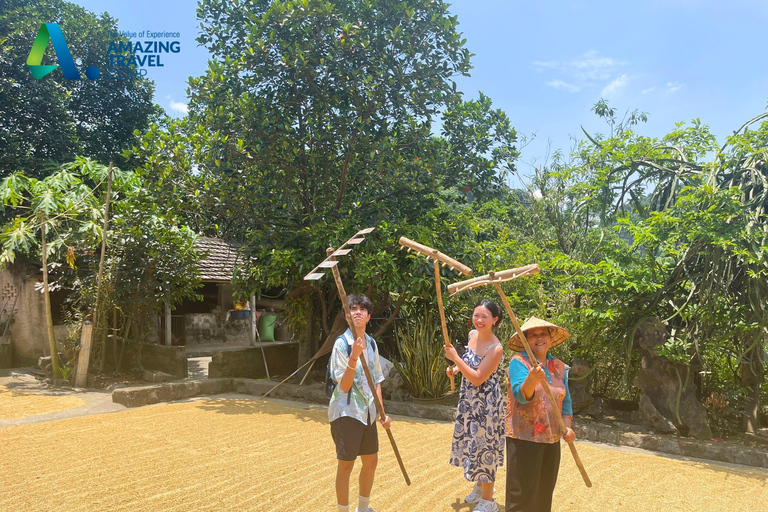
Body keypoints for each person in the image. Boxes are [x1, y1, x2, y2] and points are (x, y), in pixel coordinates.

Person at [504, 317, 575, 512]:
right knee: (522, 497)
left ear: (551, 338)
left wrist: (567, 428)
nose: (539, 338)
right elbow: (521, 395)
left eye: (543, 333)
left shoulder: (558, 366)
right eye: (533, 335)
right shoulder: (519, 363)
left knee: (544, 494)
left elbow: (565, 401)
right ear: (526, 340)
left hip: (551, 438)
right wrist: (532, 378)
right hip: (524, 438)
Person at [328, 294, 391, 512]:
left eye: (362, 309)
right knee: (346, 464)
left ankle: (363, 508)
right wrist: (354, 356)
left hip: (368, 412)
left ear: (368, 316)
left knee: (371, 461)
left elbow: (377, 381)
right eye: (353, 309)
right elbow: (344, 386)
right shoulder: (341, 344)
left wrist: (382, 413)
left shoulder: (372, 343)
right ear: (346, 316)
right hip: (347, 411)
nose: (357, 312)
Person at [445, 299, 505, 512]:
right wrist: (455, 368)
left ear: (494, 320)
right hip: (470, 400)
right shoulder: (472, 336)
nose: (479, 320)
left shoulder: (495, 348)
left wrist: (455, 358)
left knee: (485, 446)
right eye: (476, 315)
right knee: (473, 443)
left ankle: (489, 501)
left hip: (486, 403)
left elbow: (479, 378)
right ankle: (480, 489)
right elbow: (469, 363)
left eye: (484, 317)